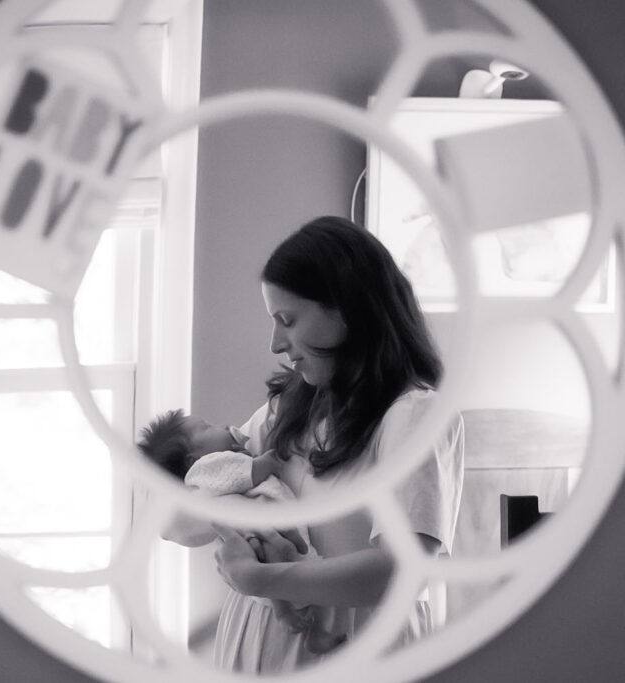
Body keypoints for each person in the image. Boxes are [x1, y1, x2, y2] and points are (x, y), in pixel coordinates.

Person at [163, 215, 465, 673]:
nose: (275, 343)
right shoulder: (290, 408)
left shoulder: (411, 415)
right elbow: (172, 523)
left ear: (347, 309)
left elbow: (401, 570)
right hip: (258, 639)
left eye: (287, 320)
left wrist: (260, 575)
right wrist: (240, 512)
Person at [137, 408, 347, 655]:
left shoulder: (223, 456)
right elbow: (245, 474)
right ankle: (286, 614)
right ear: (192, 459)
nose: (223, 425)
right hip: (261, 548)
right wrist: (265, 464)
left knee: (299, 576)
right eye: (206, 428)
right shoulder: (211, 465)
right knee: (282, 569)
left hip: (280, 558)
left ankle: (308, 628)